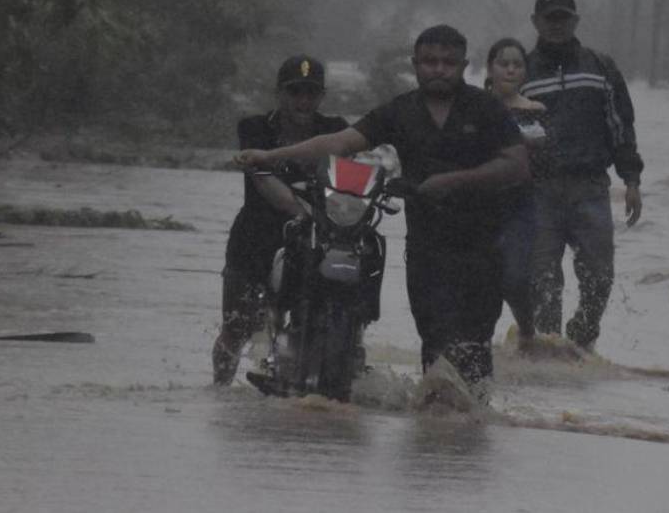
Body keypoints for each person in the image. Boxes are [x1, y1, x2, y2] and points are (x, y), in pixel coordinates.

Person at [236, 25, 529, 385]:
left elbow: (517, 165)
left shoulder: (486, 109)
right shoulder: (401, 111)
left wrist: (455, 181)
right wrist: (271, 155)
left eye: (448, 63)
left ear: (464, 65)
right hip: (426, 250)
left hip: (481, 249)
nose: (439, 69)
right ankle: (436, 428)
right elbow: (340, 143)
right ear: (416, 64)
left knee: (474, 348)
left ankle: (469, 428)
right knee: (435, 346)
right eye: (430, 61)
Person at [213, 55, 349, 386]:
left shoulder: (335, 130)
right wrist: (302, 211)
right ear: (279, 93)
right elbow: (262, 180)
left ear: (321, 96)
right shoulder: (254, 128)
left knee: (311, 319)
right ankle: (219, 387)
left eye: (311, 93)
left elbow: (345, 179)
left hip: (314, 240)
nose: (303, 101)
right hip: (256, 238)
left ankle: (301, 387)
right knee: (237, 325)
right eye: (295, 92)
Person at [520, 0, 643, 351]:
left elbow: (622, 125)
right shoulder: (520, 72)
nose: (556, 25)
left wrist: (632, 180)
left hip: (590, 187)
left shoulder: (600, 67)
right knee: (543, 281)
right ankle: (549, 352)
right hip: (538, 191)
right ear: (535, 22)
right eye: (549, 18)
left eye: (563, 18)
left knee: (600, 276)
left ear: (575, 20)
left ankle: (582, 337)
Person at [484, 37, 548, 351]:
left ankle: (527, 332)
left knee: (515, 276)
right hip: (477, 204)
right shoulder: (474, 108)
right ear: (490, 69)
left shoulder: (537, 111)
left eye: (517, 64)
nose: (510, 70)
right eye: (503, 63)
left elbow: (548, 161)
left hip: (521, 205)